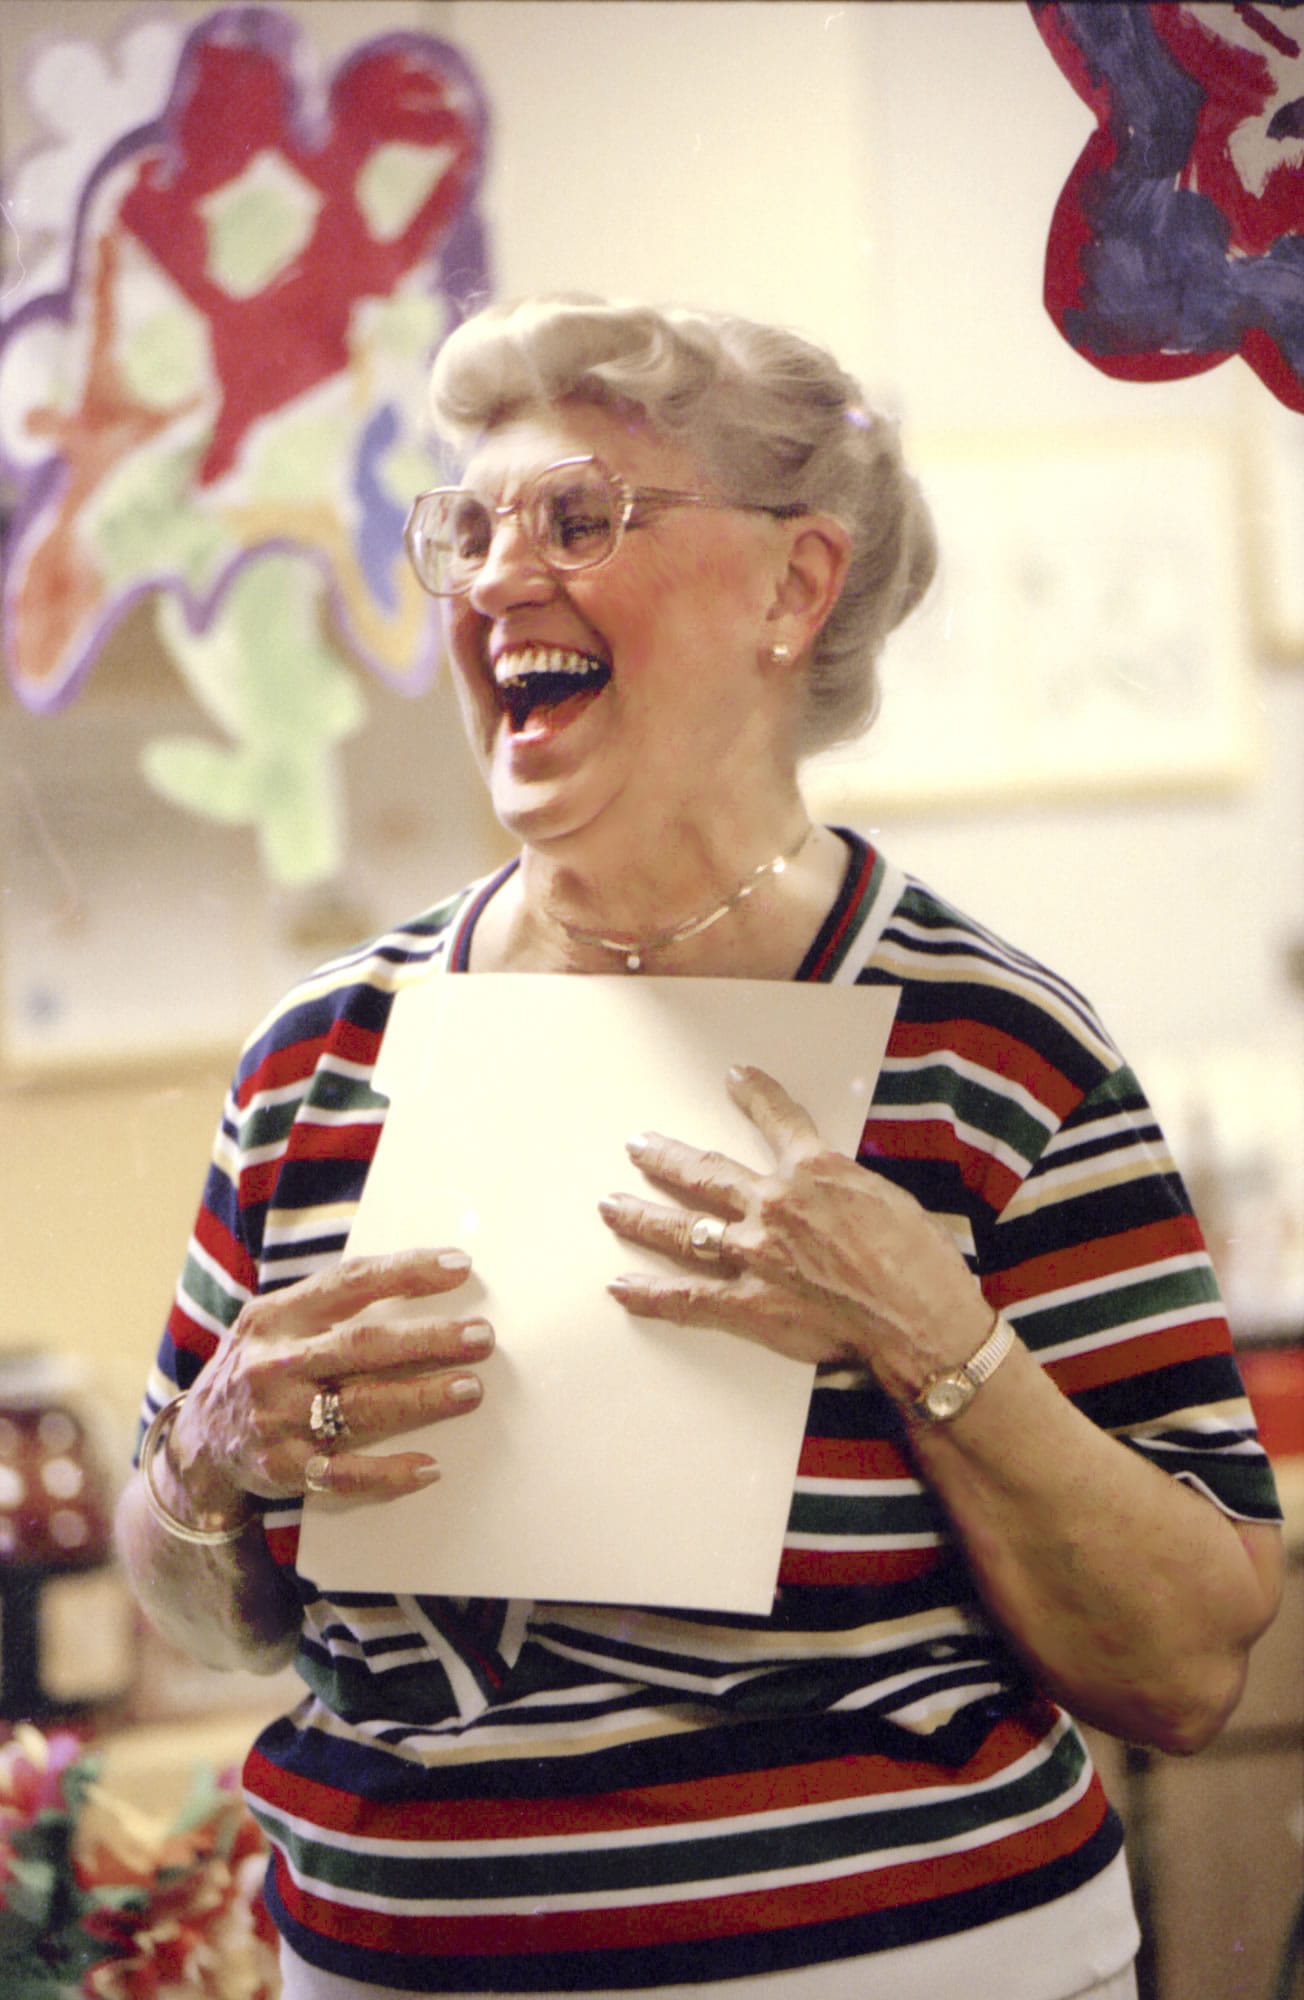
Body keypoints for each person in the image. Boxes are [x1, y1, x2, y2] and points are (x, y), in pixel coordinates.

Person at [117, 297, 1284, 2000]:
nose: (501, 579)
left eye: (579, 519)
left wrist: (931, 1336)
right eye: (470, 531)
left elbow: (1189, 1662)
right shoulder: (322, 1054)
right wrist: (211, 1455)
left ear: (793, 589)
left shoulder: (991, 1046)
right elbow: (190, 1599)